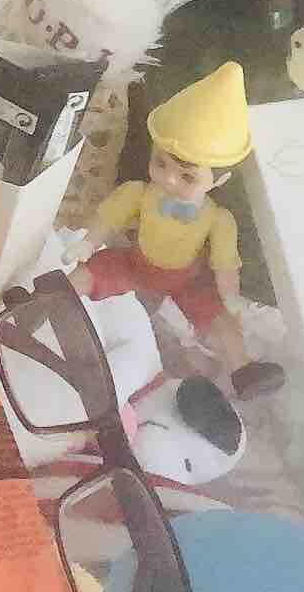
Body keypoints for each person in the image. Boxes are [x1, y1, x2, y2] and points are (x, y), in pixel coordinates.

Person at [79, 62, 284, 399]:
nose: (168, 180)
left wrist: (230, 295)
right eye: (160, 163)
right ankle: (43, 303)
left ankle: (243, 370)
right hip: (135, 263)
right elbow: (109, 218)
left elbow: (224, 264)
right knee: (87, 273)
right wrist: (88, 243)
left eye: (187, 176)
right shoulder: (139, 193)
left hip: (186, 280)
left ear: (220, 179)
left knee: (220, 319)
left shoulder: (218, 219)